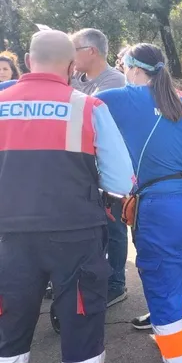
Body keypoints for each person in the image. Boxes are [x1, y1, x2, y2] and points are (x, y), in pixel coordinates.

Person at [0, 30, 133, 363]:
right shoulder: (89, 106)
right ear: (73, 67)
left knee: (7, 342)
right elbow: (121, 182)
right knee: (82, 347)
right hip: (76, 237)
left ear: (27, 62)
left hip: (8, 240)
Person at [95, 43, 182, 363]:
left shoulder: (123, 97)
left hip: (163, 209)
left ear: (132, 68)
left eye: (120, 64)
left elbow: (79, 108)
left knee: (164, 295)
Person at [69, 28, 133, 308]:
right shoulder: (75, 79)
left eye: (75, 50)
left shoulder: (114, 82)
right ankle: (91, 276)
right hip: (81, 169)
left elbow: (93, 124)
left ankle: (116, 283)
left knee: (114, 227)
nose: (71, 57)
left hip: (107, 170)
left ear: (91, 51)